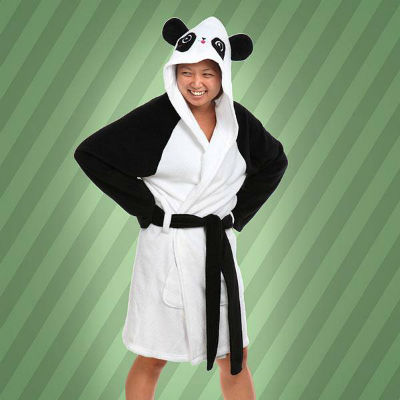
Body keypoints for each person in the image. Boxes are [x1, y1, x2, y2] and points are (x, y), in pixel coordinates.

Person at [74, 16, 288, 400]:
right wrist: (145, 207)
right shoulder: (157, 118)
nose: (196, 82)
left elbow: (275, 161)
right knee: (152, 357)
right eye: (186, 71)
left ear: (223, 74)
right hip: (166, 250)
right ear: (173, 71)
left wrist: (238, 215)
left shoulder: (238, 122)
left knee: (235, 357)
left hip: (217, 250)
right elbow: (90, 153)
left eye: (207, 72)